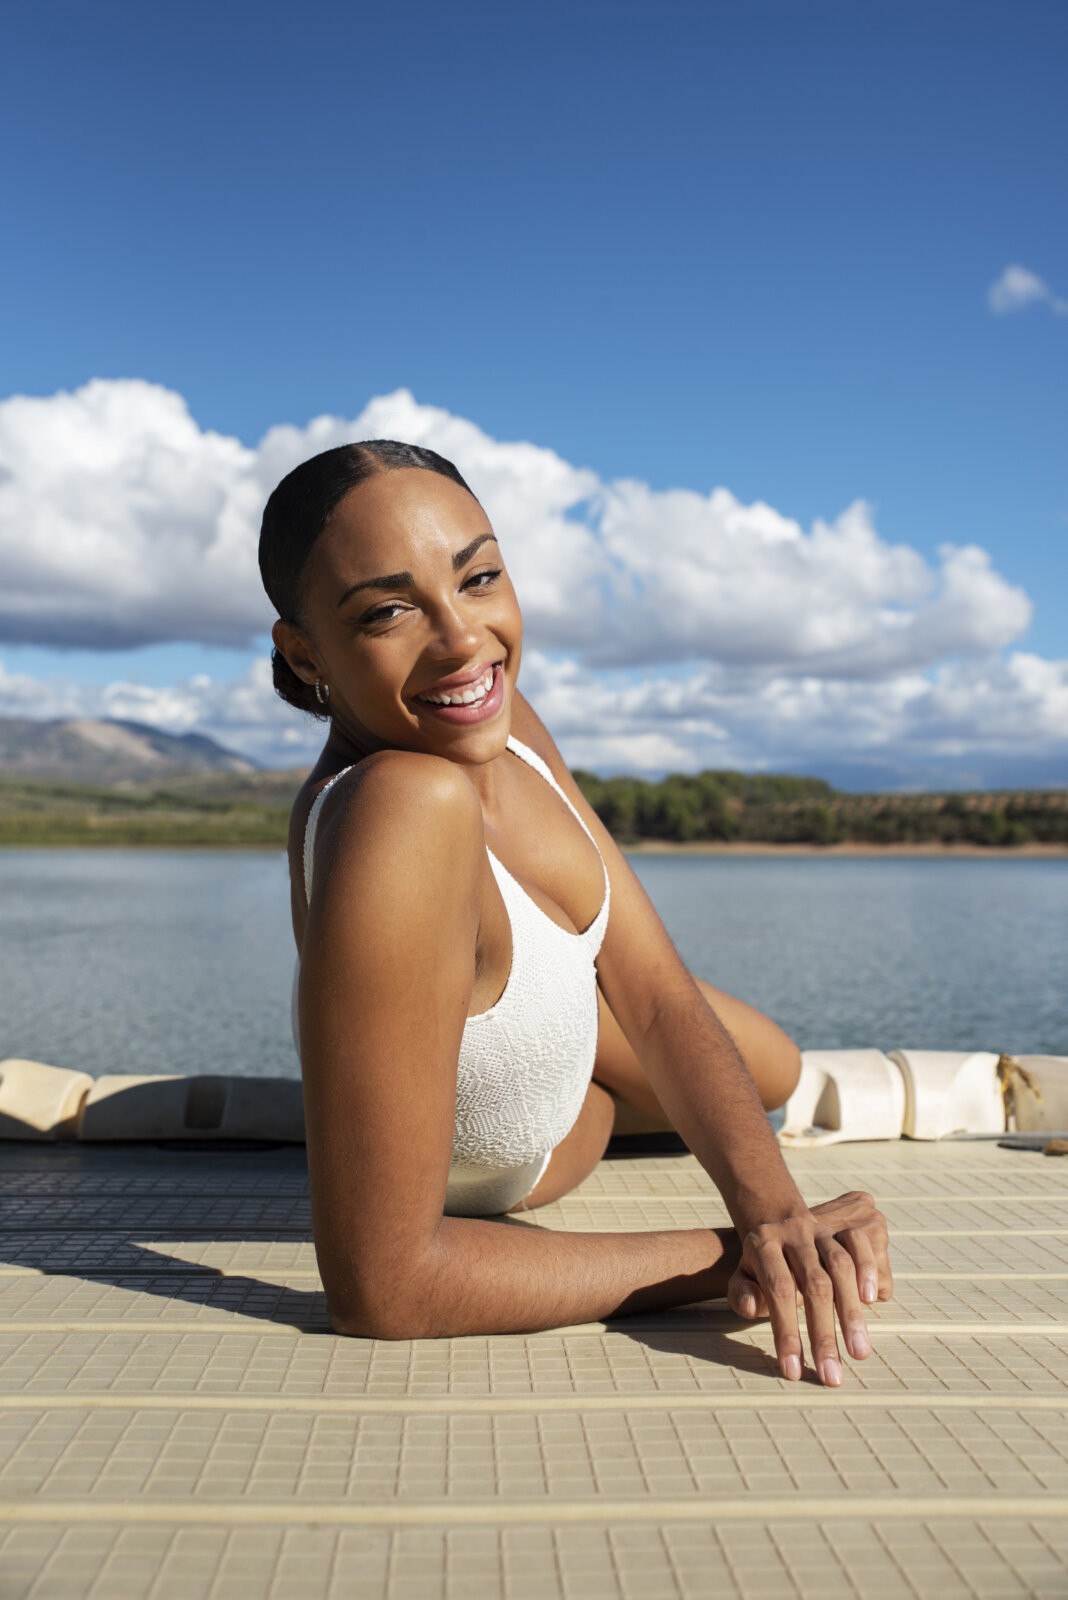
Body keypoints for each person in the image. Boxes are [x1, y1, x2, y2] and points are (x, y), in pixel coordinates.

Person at [259, 439, 891, 1384]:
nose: (464, 641)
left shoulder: (500, 722)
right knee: (735, 1082)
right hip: (525, 1150)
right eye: (390, 610)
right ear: (304, 650)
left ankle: (552, 1037)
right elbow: (383, 1291)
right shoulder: (399, 801)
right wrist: (737, 1257)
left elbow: (654, 988)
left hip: (561, 1064)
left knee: (776, 1065)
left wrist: (776, 1210)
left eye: (478, 578)